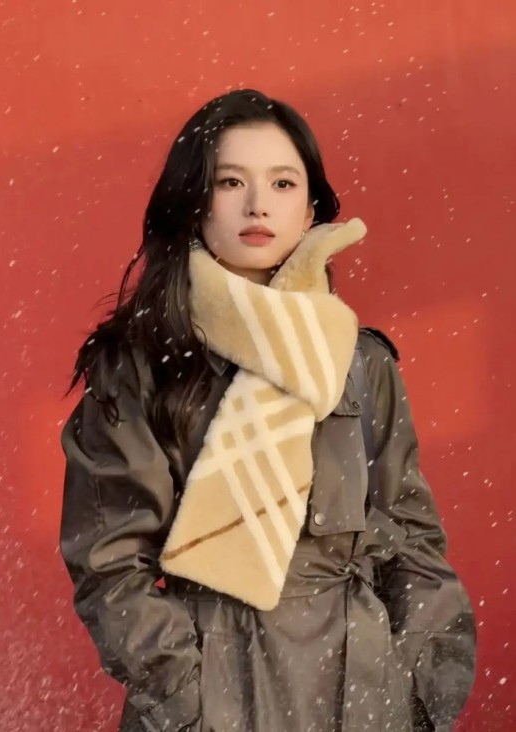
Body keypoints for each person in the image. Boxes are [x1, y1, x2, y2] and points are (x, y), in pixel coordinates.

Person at [59, 89, 476, 732]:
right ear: (193, 201)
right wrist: (186, 699)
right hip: (214, 692)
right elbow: (109, 563)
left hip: (362, 692)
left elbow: (412, 540)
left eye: (283, 183)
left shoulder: (360, 363)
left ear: (310, 210)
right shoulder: (141, 364)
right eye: (230, 181)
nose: (258, 204)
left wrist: (418, 689)